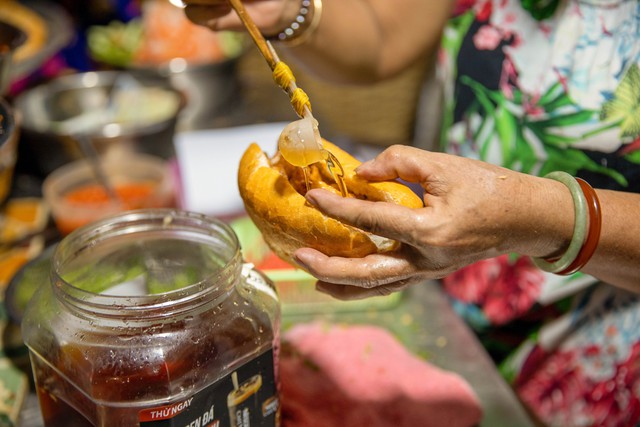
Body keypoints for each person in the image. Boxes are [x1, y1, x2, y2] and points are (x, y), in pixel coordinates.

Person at [183, 1, 640, 425]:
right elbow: (382, 39)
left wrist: (543, 221)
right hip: (459, 307)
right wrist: (290, 8)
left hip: (596, 370)